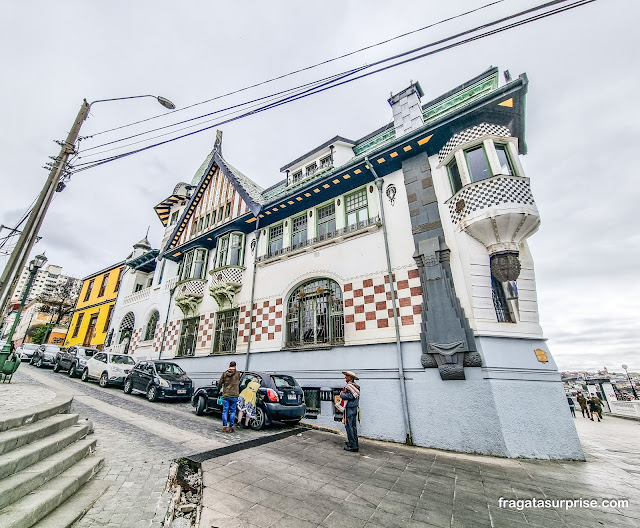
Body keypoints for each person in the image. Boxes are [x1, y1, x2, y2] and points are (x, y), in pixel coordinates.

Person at [340, 370, 360, 452]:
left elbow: (351, 396)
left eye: (347, 376)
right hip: (354, 408)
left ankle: (353, 446)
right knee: (353, 426)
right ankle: (354, 443)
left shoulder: (350, 386)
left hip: (350, 408)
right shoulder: (355, 386)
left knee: (349, 426)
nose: (345, 377)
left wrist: (342, 394)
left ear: (351, 378)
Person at [218, 361, 241, 433]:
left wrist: (219, 390)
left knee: (225, 411)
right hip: (234, 395)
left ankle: (224, 427)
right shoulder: (238, 374)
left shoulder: (224, 374)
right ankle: (231, 427)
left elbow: (220, 383)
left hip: (226, 395)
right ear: (235, 366)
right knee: (233, 411)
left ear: (229, 366)